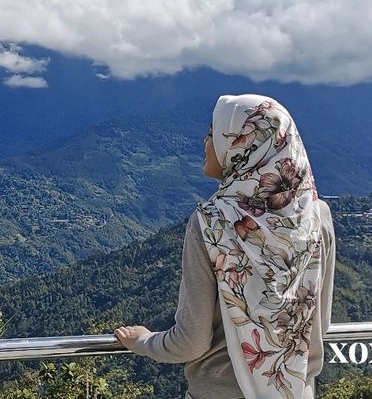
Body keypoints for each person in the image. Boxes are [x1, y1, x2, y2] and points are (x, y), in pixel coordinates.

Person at [114, 93, 336, 399]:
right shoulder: (317, 217)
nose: (206, 142)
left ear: (244, 146)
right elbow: (316, 326)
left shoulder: (212, 223)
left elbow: (190, 342)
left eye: (214, 134)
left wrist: (142, 341)